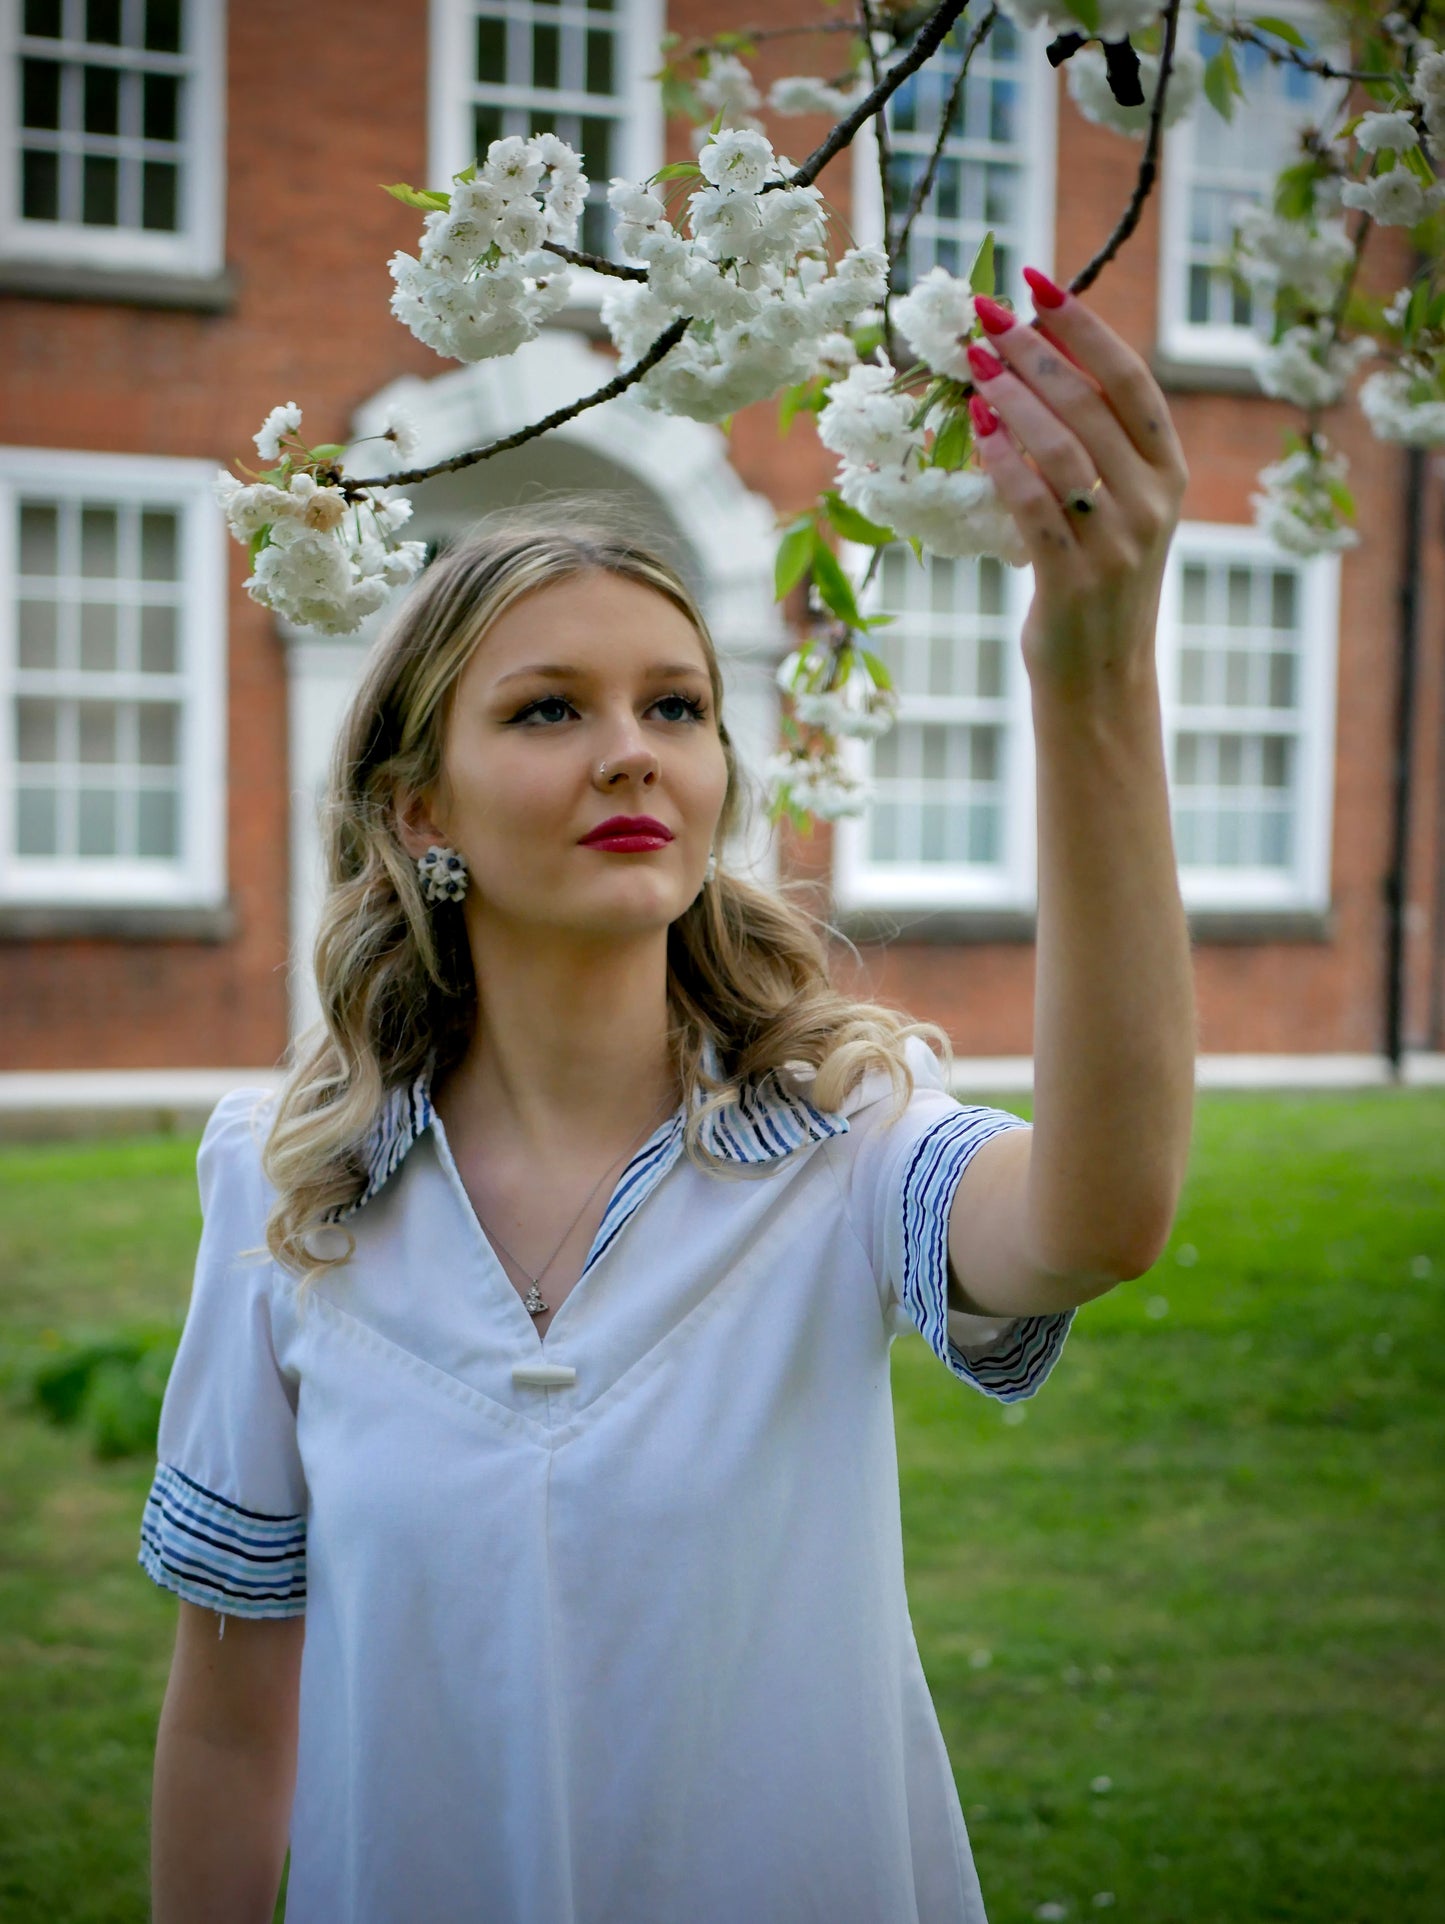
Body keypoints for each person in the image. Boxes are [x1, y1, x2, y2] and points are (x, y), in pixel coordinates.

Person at [141, 276, 1196, 1924]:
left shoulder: (847, 1137)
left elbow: (1098, 1219)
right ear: (420, 808)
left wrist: (1088, 680)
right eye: (550, 707)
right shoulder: (283, 1198)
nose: (634, 752)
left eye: (677, 707)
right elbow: (226, 1718)